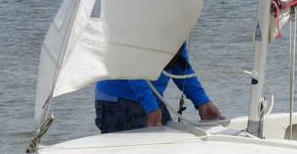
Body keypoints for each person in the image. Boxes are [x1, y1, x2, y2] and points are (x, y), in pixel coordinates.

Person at [94, 42, 224, 133]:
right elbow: (132, 65)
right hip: (117, 99)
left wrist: (202, 101)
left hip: (152, 98)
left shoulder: (176, 21)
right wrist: (151, 106)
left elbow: (179, 65)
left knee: (167, 150)